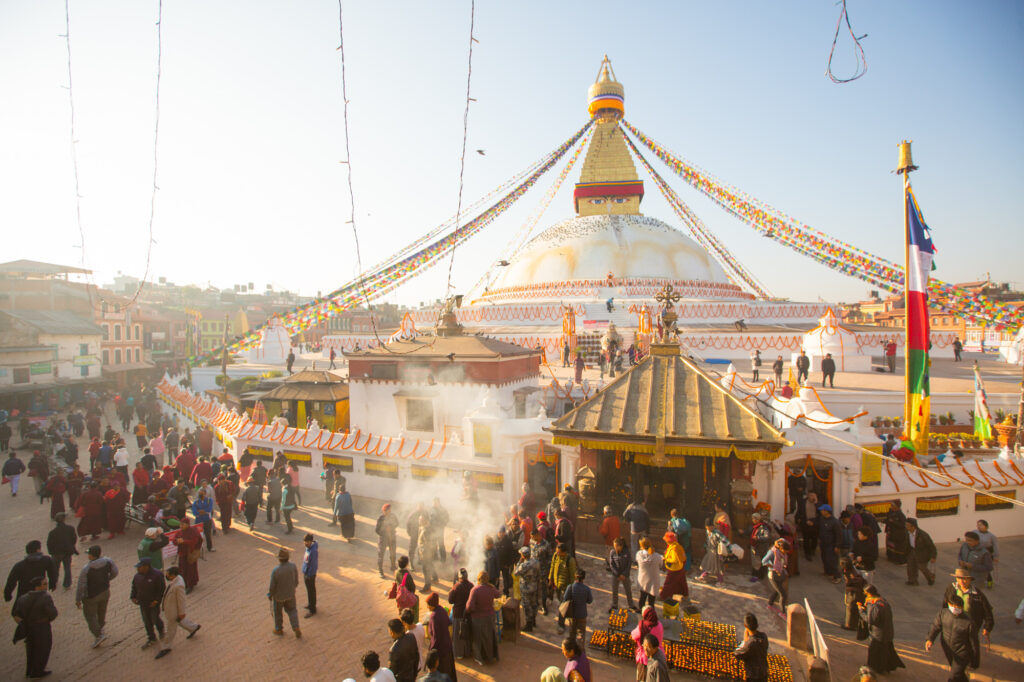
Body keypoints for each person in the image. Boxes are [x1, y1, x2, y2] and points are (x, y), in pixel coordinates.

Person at [944, 568, 994, 670]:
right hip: (955, 623)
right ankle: (958, 662)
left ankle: (973, 663)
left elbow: (987, 611)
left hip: (971, 624)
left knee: (971, 644)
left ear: (970, 580)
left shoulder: (977, 594)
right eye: (959, 578)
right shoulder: (951, 589)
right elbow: (945, 604)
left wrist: (987, 627)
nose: (962, 581)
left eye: (964, 579)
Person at [12, 575, 58, 679]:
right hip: (42, 627)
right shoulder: (45, 597)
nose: (46, 586)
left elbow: (16, 614)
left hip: (29, 627)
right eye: (44, 584)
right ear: (37, 587)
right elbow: (53, 613)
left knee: (31, 649)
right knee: (43, 648)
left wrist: (24, 623)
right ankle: (37, 671)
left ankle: (29, 670)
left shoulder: (22, 598)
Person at [75, 545, 118, 648]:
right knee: (101, 611)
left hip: (91, 596)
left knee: (90, 615)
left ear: (91, 555)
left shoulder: (87, 568)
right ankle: (101, 627)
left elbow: (81, 585)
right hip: (105, 591)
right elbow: (115, 572)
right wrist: (107, 579)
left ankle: (98, 635)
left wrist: (78, 599)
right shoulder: (108, 561)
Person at [154, 565, 199, 659]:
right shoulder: (176, 580)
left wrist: (182, 613)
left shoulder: (179, 586)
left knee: (170, 630)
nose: (167, 577)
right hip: (171, 610)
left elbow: (181, 601)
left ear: (173, 575)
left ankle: (166, 647)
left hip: (173, 612)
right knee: (180, 621)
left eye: (168, 575)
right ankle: (193, 627)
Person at [925, 593, 973, 682]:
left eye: (957, 607)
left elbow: (974, 642)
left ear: (962, 608)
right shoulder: (943, 614)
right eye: (952, 605)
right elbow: (936, 626)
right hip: (948, 648)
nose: (955, 608)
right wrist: (930, 639)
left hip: (962, 652)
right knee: (958, 673)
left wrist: (975, 660)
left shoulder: (968, 622)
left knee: (954, 676)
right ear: (949, 604)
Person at [859, 584, 905, 674]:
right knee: (884, 652)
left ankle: (875, 668)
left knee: (874, 652)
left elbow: (870, 620)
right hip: (887, 632)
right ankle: (884, 667)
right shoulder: (883, 602)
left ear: (869, 593)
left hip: (878, 634)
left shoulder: (874, 605)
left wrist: (861, 611)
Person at [466, 570, 501, 665]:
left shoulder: (475, 590)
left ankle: (479, 658)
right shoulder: (491, 588)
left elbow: (469, 607)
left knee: (478, 639)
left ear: (478, 579)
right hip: (490, 616)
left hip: (478, 618)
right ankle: (491, 656)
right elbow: (498, 594)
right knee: (489, 637)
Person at [131, 557, 166, 648]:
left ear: (146, 566)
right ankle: (151, 638)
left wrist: (157, 600)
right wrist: (133, 597)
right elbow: (134, 587)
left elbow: (161, 589)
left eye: (140, 567)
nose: (138, 569)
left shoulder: (157, 575)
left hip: (153, 603)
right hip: (143, 603)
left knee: (154, 618)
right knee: (146, 621)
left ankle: (161, 629)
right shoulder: (137, 576)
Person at [269, 547, 302, 638]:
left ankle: (278, 629)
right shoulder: (293, 566)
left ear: (279, 559)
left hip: (279, 597)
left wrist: (270, 594)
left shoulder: (276, 571)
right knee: (292, 610)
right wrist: (292, 588)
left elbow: (272, 586)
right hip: (290, 594)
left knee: (278, 613)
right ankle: (296, 627)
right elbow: (296, 581)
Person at [425, 592, 457, 680]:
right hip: (448, 646)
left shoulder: (434, 616)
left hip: (441, 651)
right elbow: (449, 625)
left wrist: (431, 651)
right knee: (449, 670)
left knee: (443, 672)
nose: (427, 607)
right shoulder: (442, 610)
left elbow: (436, 637)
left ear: (432, 605)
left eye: (428, 605)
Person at [549, 542, 577, 632]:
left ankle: (561, 624)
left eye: (559, 552)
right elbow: (552, 567)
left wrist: (572, 588)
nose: (557, 553)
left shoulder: (570, 560)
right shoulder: (556, 556)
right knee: (561, 602)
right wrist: (550, 578)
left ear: (564, 552)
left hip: (566, 587)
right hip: (557, 585)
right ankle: (568, 617)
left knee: (562, 605)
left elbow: (573, 576)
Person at [46, 513, 79, 590]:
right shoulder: (70, 528)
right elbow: (74, 539)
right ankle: (67, 584)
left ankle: (55, 581)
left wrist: (51, 552)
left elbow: (49, 544)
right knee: (67, 568)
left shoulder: (53, 532)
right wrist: (71, 547)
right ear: (64, 519)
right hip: (67, 552)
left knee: (55, 568)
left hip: (56, 553)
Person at [563, 569, 592, 651]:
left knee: (572, 633)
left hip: (572, 614)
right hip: (582, 614)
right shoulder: (586, 589)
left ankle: (571, 650)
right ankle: (580, 651)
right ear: (583, 578)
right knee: (581, 634)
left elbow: (565, 599)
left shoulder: (570, 587)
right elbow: (590, 601)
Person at [631, 606, 664, 678]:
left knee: (642, 678)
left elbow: (633, 635)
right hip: (658, 656)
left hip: (645, 658)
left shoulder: (642, 626)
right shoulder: (659, 625)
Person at [734, 613, 768, 682]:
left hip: (754, 676)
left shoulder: (749, 644)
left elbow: (737, 654)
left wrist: (745, 641)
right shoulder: (764, 636)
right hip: (763, 672)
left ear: (745, 626)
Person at [514, 546, 541, 631]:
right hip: (534, 586)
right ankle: (533, 621)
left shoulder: (524, 565)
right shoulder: (536, 562)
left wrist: (519, 562)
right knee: (534, 604)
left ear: (523, 555)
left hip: (526, 588)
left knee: (526, 606)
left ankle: (529, 625)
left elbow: (516, 573)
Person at [447, 568, 472, 659]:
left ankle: (458, 653)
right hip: (468, 613)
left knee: (457, 634)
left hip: (458, 614)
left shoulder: (456, 586)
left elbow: (450, 600)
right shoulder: (471, 586)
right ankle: (467, 651)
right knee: (467, 633)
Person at [608, 537, 637, 613]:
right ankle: (615, 604)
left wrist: (624, 574)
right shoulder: (612, 552)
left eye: (616, 546)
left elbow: (628, 564)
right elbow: (612, 564)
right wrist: (617, 574)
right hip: (616, 574)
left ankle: (631, 605)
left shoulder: (626, 552)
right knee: (615, 590)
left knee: (628, 590)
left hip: (625, 575)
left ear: (621, 546)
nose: (615, 547)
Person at [761, 539, 790, 614]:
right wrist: (773, 566)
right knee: (783, 595)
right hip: (773, 575)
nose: (785, 553)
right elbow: (764, 561)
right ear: (781, 548)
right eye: (785, 551)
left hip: (780, 575)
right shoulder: (773, 552)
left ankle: (770, 604)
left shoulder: (783, 554)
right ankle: (782, 612)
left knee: (777, 591)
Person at [386, 617, 419, 682]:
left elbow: (392, 671)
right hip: (411, 676)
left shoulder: (394, 650)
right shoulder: (411, 636)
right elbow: (416, 657)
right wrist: (415, 674)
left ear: (392, 632)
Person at [658, 532, 688, 603]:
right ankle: (684, 594)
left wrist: (665, 559)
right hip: (680, 567)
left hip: (675, 568)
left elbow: (674, 560)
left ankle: (663, 596)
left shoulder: (674, 548)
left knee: (669, 583)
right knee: (681, 581)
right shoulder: (677, 546)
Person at [174, 517, 202, 592]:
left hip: (190, 554)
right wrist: (177, 541)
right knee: (182, 569)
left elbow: (194, 541)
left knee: (190, 570)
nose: (181, 526)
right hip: (182, 554)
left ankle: (190, 584)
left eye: (183, 525)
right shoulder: (179, 532)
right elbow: (174, 540)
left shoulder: (193, 531)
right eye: (180, 525)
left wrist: (184, 541)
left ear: (187, 524)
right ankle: (184, 583)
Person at [699, 519, 728, 585]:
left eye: (711, 526)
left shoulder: (717, 533)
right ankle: (703, 576)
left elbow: (725, 541)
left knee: (717, 567)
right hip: (709, 551)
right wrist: (704, 547)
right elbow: (707, 541)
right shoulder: (708, 532)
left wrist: (725, 551)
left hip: (716, 552)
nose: (710, 528)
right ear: (706, 527)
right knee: (707, 564)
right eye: (708, 527)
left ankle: (720, 581)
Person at [636, 537, 661, 611]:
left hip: (643, 580)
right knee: (651, 602)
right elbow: (661, 565)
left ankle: (641, 613)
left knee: (642, 599)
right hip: (654, 580)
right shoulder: (657, 556)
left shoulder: (639, 554)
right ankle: (650, 616)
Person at [817, 504, 841, 583]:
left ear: (826, 511)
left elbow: (838, 535)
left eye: (822, 510)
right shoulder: (822, 519)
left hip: (831, 544)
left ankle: (837, 576)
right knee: (824, 558)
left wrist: (837, 546)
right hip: (823, 543)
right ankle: (827, 572)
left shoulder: (835, 522)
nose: (821, 512)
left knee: (831, 560)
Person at [840, 557, 865, 630]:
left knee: (851, 608)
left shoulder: (852, 574)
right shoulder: (848, 570)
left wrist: (849, 588)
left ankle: (850, 625)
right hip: (852, 592)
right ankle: (852, 624)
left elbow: (858, 582)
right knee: (851, 608)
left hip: (855, 593)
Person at [377, 503, 399, 579]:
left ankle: (393, 566)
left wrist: (391, 527)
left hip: (392, 537)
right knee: (381, 555)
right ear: (384, 511)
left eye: (389, 510)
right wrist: (385, 531)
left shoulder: (393, 516)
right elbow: (377, 530)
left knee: (393, 553)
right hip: (383, 539)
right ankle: (380, 570)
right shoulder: (381, 518)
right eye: (387, 510)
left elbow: (397, 523)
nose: (388, 512)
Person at [749, 513, 773, 582]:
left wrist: (758, 538)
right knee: (755, 562)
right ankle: (757, 576)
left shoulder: (763, 527)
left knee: (757, 562)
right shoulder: (755, 526)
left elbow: (767, 537)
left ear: (757, 519)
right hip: (755, 546)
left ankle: (757, 576)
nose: (752, 520)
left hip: (760, 547)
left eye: (753, 518)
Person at [974, 520, 998, 587]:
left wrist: (996, 556)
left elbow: (995, 546)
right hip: (977, 551)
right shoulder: (974, 532)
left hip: (987, 553)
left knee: (986, 568)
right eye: (978, 525)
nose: (979, 526)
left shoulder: (991, 536)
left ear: (986, 526)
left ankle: (989, 580)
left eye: (981, 525)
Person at [302, 533, 318, 617]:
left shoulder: (313, 551)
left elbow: (313, 565)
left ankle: (312, 609)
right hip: (306, 572)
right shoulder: (308, 548)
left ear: (311, 541)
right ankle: (310, 604)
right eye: (304, 542)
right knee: (309, 590)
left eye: (307, 542)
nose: (305, 544)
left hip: (310, 575)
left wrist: (309, 574)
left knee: (311, 591)